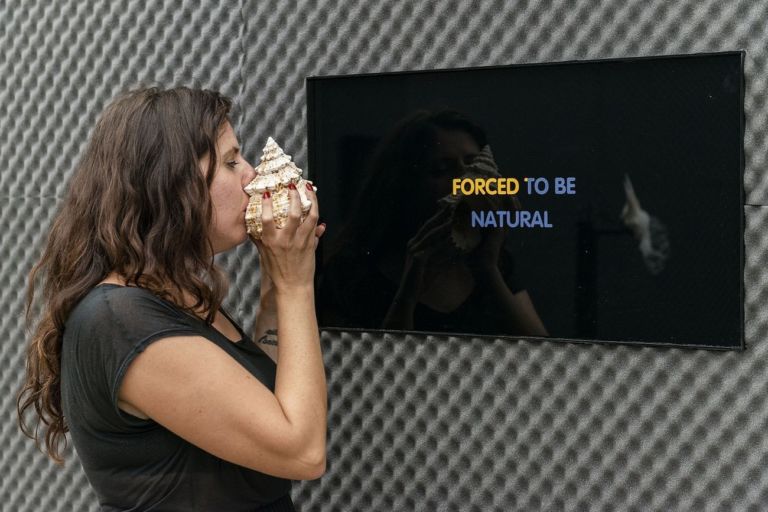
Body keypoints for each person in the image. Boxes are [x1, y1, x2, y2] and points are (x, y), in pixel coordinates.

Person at [16, 86, 327, 511]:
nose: (251, 175)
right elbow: (301, 451)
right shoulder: (121, 320)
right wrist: (295, 286)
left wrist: (276, 288)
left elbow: (270, 405)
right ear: (172, 183)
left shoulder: (174, 299)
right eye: (231, 161)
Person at [318, 109, 548, 337]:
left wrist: (487, 269)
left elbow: (544, 352)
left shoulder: (495, 261)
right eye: (441, 169)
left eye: (472, 165)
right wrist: (412, 281)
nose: (464, 180)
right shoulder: (351, 271)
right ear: (404, 185)